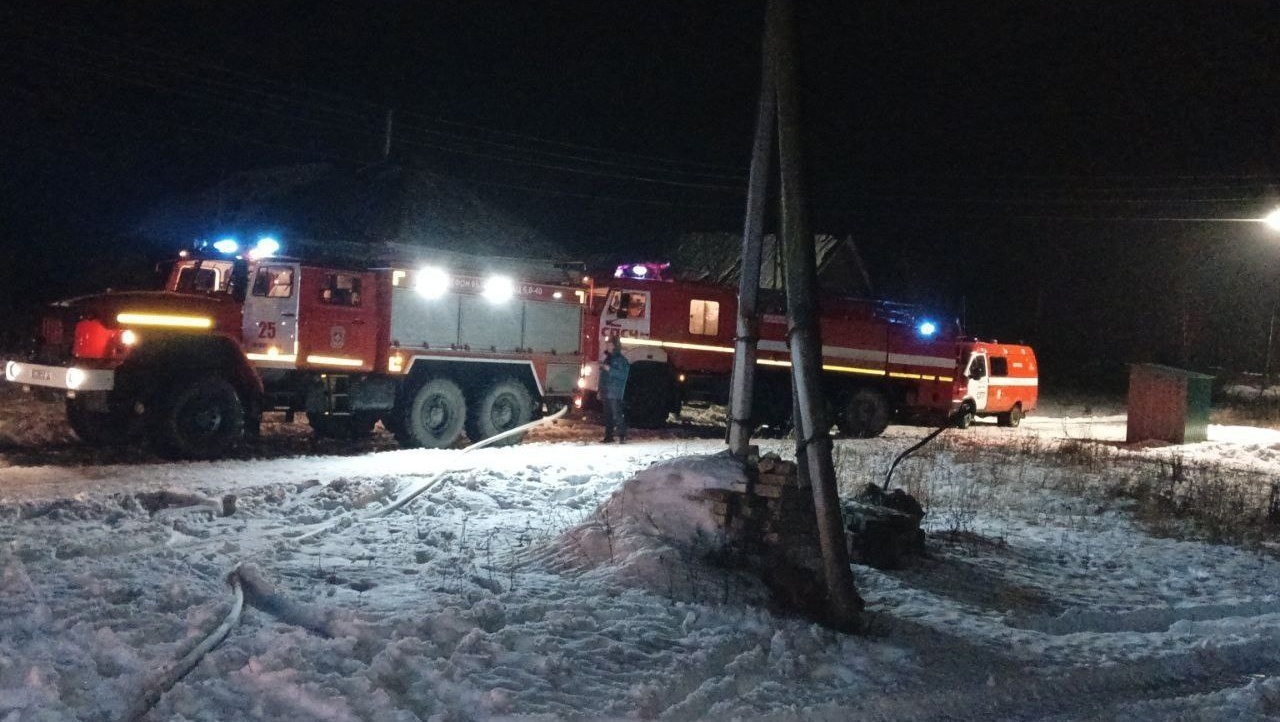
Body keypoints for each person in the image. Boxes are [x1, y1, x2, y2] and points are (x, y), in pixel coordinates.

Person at [598, 336, 631, 443]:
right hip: (607, 391)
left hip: (615, 392)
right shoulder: (608, 358)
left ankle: (622, 436)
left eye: (609, 344)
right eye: (607, 344)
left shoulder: (621, 360)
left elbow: (623, 375)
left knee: (617, 414)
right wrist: (600, 389)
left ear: (615, 346)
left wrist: (609, 369)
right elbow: (603, 376)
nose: (607, 346)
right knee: (608, 415)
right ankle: (608, 436)